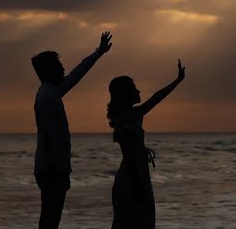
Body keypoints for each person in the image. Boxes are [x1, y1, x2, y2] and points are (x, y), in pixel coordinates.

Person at [32, 31, 113, 229]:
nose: (63, 69)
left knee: (50, 219)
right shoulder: (48, 97)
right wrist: (61, 170)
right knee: (50, 220)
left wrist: (98, 52)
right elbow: (53, 139)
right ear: (50, 71)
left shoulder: (51, 92)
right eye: (59, 66)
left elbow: (76, 75)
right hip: (52, 170)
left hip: (50, 169)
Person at [107, 59, 186, 229]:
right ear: (126, 94)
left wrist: (177, 80)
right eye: (134, 88)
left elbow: (157, 97)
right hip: (132, 179)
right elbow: (129, 158)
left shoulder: (136, 114)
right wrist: (140, 187)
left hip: (138, 176)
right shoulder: (124, 120)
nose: (139, 90)